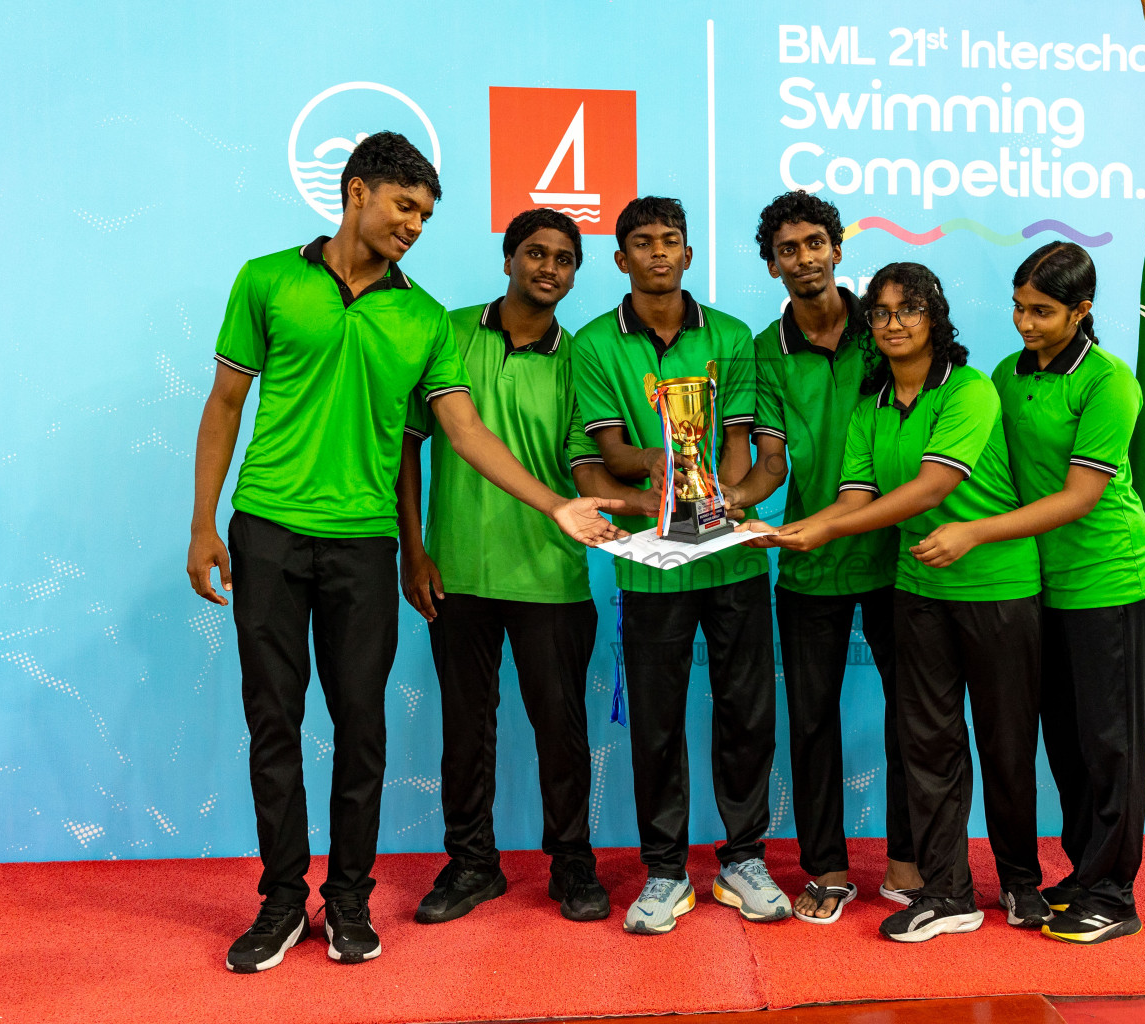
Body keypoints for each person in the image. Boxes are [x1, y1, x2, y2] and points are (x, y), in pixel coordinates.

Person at [187, 133, 624, 973]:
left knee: (362, 727)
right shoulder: (266, 279)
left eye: (425, 214)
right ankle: (282, 903)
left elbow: (463, 430)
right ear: (356, 192)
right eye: (404, 206)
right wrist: (204, 524)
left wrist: (555, 501)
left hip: (362, 545)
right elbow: (225, 401)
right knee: (272, 723)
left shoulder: (424, 318)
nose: (415, 225)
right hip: (267, 530)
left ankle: (346, 900)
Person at [744, 262, 1044, 943]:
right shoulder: (870, 410)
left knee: (1003, 743)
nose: (894, 323)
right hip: (920, 591)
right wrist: (793, 530)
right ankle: (947, 893)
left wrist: (819, 528)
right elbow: (857, 497)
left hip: (999, 588)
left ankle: (1022, 883)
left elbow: (932, 487)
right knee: (931, 744)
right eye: (880, 313)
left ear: (936, 316)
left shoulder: (970, 389)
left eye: (909, 309)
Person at [396, 209, 658, 927]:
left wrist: (655, 501)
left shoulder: (582, 359)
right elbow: (407, 448)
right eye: (536, 254)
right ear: (508, 258)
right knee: (465, 729)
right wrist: (412, 550)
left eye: (565, 259)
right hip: (458, 571)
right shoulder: (445, 331)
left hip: (552, 576)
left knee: (562, 730)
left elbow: (581, 465)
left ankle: (572, 863)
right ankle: (472, 864)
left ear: (577, 273)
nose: (550, 268)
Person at [911, 242, 1145, 945]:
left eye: (1043, 311)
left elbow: (1081, 497)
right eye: (1018, 307)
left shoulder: (1109, 380)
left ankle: (1114, 893)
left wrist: (975, 533)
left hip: (1108, 577)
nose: (1025, 322)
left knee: (1110, 745)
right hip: (1034, 585)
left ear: (1083, 310)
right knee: (1067, 744)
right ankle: (1085, 873)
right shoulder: (1002, 375)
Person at [571, 196, 788, 934]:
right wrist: (666, 466)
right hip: (651, 568)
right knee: (657, 724)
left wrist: (721, 501)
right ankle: (665, 871)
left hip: (730, 565)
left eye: (671, 241)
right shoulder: (595, 342)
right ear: (621, 258)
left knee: (747, 715)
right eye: (642, 242)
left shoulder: (730, 335)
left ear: (689, 255)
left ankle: (743, 860)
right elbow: (610, 454)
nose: (658, 252)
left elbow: (741, 442)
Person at [724, 193, 919, 925]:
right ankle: (828, 867)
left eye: (814, 243)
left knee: (914, 717)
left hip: (900, 559)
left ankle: (907, 859)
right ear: (771, 264)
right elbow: (771, 462)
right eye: (787, 249)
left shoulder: (886, 328)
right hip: (809, 561)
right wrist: (722, 511)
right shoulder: (763, 351)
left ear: (838, 249)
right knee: (810, 722)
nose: (803, 258)